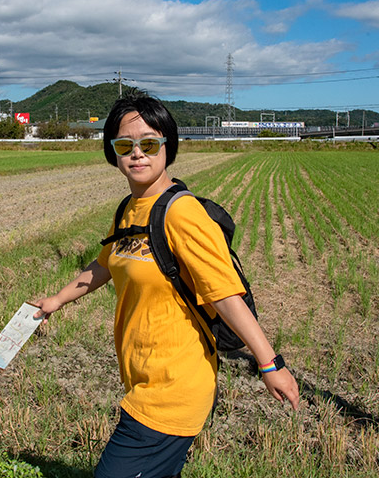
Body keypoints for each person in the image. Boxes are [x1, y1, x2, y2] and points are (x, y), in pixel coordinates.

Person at [34, 94, 299, 478]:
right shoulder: (129, 208)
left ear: (167, 146)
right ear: (113, 153)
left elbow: (225, 295)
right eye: (125, 145)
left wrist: (269, 363)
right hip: (142, 377)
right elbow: (107, 263)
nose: (137, 154)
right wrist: (56, 300)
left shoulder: (182, 213)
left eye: (149, 143)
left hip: (175, 386)